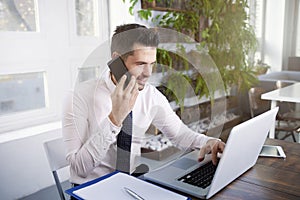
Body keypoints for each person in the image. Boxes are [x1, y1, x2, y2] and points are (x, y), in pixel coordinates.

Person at [62, 23, 225, 187]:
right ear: (117, 60)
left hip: (129, 185)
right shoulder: (79, 97)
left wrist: (207, 141)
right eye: (140, 64)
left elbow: (179, 134)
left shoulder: (151, 95)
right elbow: (79, 169)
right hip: (90, 190)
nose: (148, 73)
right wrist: (114, 119)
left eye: (152, 63)